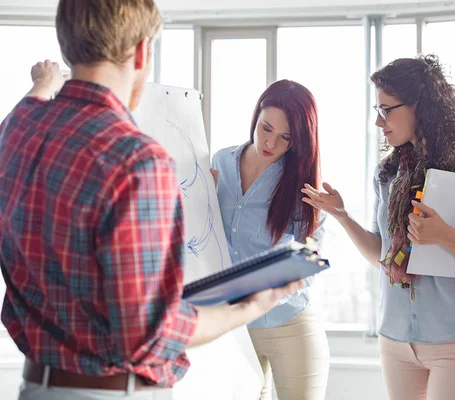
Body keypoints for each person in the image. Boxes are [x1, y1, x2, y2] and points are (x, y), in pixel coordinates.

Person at [0, 1, 301, 399]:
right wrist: (250, 306)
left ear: (67, 44)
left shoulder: (16, 129)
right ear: (142, 51)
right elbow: (148, 334)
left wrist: (43, 82)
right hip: (112, 392)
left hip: (35, 386)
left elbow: (32, 104)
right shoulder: (137, 159)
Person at [301, 55, 455, 400]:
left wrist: (444, 236)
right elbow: (383, 256)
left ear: (420, 106)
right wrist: (342, 216)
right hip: (396, 341)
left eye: (386, 109)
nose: (378, 121)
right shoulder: (388, 175)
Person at [211, 79, 329, 400]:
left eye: (284, 137)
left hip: (288, 326)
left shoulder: (303, 185)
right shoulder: (219, 163)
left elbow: (308, 261)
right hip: (234, 330)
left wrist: (262, 290)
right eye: (265, 128)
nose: (270, 142)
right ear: (255, 117)